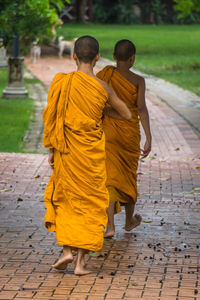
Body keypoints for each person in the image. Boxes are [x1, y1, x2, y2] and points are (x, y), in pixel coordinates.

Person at [43, 36, 132, 275]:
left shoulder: (63, 82)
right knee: (92, 204)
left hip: (67, 152)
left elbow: (53, 118)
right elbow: (126, 114)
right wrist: (104, 109)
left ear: (73, 56)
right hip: (91, 156)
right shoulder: (103, 87)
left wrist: (52, 149)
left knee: (67, 200)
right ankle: (80, 263)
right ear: (97, 58)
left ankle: (66, 252)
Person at [96, 39, 152, 238]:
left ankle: (109, 227)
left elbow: (97, 104)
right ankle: (129, 221)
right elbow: (142, 109)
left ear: (113, 57)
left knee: (109, 179)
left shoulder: (104, 76)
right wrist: (148, 137)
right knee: (128, 176)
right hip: (129, 134)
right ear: (132, 58)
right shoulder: (138, 81)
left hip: (108, 133)